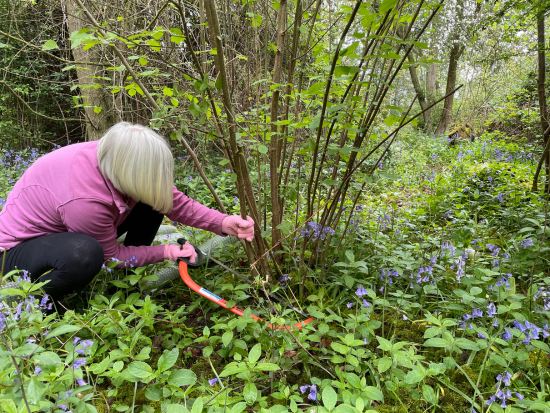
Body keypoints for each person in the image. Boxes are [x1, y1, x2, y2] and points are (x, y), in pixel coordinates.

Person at [0, 122, 254, 303]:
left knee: (153, 199)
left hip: (64, 230)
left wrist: (222, 222)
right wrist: (166, 252)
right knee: (85, 254)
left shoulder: (119, 159)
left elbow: (170, 199)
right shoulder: (85, 200)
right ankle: (41, 304)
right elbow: (109, 257)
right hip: (17, 251)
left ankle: (126, 280)